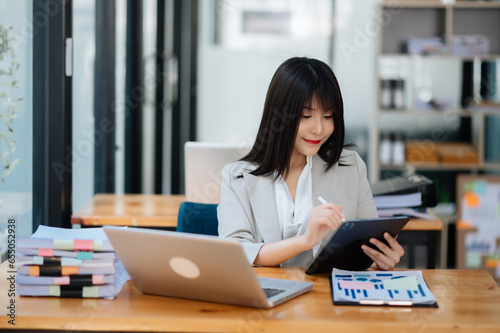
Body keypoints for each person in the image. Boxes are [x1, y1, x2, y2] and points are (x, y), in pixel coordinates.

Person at [217, 57, 404, 270]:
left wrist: (381, 261)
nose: (319, 129)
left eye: (328, 116)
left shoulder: (351, 167)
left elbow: (366, 251)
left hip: (327, 299)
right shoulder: (237, 176)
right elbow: (235, 250)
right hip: (265, 295)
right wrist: (305, 240)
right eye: (306, 115)